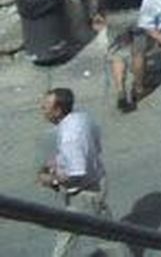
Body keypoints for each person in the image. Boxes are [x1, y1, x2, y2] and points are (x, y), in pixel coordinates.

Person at [90, 0, 153, 113]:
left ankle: (120, 90)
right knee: (139, 53)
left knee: (117, 53)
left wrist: (96, 13)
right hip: (138, 14)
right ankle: (139, 88)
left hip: (114, 15)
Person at [40, 87, 110, 257]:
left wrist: (52, 180)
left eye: (45, 107)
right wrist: (59, 162)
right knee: (110, 232)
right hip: (97, 180)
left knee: (70, 236)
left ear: (58, 110)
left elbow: (77, 173)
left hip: (85, 194)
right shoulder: (82, 117)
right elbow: (94, 143)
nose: (42, 110)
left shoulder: (70, 138)